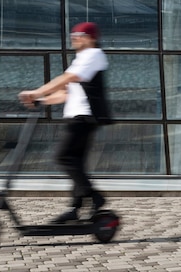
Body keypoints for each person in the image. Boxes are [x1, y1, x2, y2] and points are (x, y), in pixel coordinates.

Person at [18, 22, 112, 224]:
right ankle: (75, 209)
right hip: (77, 117)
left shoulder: (92, 55)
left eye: (79, 34)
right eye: (73, 34)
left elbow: (67, 78)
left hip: (83, 117)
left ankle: (95, 197)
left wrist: (37, 92)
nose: (74, 37)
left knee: (64, 157)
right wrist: (41, 100)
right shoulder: (82, 59)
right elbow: (65, 92)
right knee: (76, 162)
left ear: (91, 38)